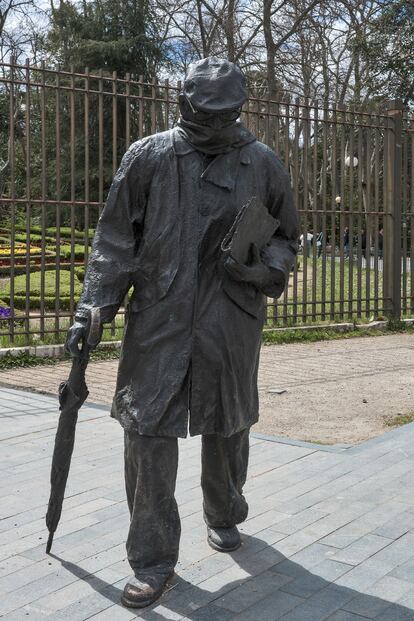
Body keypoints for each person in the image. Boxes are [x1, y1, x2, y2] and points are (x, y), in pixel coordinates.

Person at [65, 57, 299, 609]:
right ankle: (152, 559)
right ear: (182, 105)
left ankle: (224, 511)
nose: (213, 129)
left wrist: (263, 269)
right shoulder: (147, 157)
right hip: (159, 322)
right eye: (202, 117)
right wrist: (92, 309)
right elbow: (114, 241)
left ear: (240, 111)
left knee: (227, 425)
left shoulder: (263, 163)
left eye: (224, 119)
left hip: (230, 320)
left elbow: (287, 235)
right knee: (146, 433)